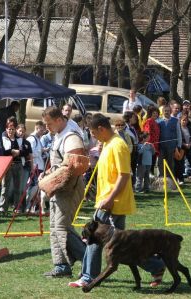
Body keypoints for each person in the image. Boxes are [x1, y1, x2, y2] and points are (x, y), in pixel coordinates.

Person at [68, 113, 165, 288]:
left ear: (101, 129)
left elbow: (124, 175)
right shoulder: (106, 144)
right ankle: (157, 266)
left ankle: (88, 276)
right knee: (124, 246)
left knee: (93, 238)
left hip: (113, 203)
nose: (92, 136)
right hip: (106, 201)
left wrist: (110, 198)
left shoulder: (118, 145)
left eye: (93, 133)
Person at [41, 107, 86, 278]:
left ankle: (89, 262)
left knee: (62, 227)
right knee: (54, 227)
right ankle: (61, 265)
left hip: (69, 188)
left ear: (59, 119)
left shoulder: (71, 136)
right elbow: (59, 165)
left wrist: (50, 181)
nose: (47, 127)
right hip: (58, 188)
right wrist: (48, 175)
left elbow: (73, 166)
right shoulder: (60, 134)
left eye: (49, 124)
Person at [0, 120, 27, 214]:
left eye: (12, 129)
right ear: (6, 129)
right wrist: (13, 151)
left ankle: (17, 207)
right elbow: (3, 152)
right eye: (9, 129)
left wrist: (18, 152)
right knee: (5, 187)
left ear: (15, 130)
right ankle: (2, 208)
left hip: (18, 164)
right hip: (8, 165)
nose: (10, 131)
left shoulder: (20, 139)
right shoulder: (3, 139)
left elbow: (26, 152)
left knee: (18, 188)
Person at [26, 121, 46, 212]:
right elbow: (31, 153)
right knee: (33, 187)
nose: (43, 132)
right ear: (37, 128)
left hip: (40, 166)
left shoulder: (38, 138)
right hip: (35, 167)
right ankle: (28, 205)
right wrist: (41, 151)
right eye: (41, 130)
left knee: (37, 188)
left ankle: (34, 206)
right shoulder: (32, 139)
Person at [176, 113, 191, 183]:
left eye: (186, 120)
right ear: (180, 120)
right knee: (180, 163)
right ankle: (181, 179)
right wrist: (184, 144)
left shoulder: (189, 128)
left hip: (189, 147)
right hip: (182, 148)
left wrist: (190, 143)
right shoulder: (179, 129)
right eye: (183, 120)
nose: (184, 122)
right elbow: (179, 139)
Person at [157, 105, 182, 177]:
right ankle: (162, 179)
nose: (167, 112)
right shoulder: (158, 121)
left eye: (168, 111)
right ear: (163, 112)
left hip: (172, 146)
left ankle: (171, 179)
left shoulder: (175, 120)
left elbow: (178, 133)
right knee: (161, 163)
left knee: (171, 163)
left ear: (170, 111)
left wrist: (179, 145)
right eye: (165, 111)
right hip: (161, 146)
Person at [16, 124, 34, 212]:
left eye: (23, 131)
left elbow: (30, 156)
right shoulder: (13, 141)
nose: (21, 133)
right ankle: (17, 206)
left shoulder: (27, 143)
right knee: (16, 187)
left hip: (25, 167)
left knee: (23, 187)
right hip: (15, 166)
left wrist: (32, 168)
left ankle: (22, 206)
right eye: (20, 131)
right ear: (16, 130)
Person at [143, 106, 160, 176]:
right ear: (150, 114)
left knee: (153, 163)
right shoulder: (149, 121)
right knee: (149, 164)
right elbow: (147, 133)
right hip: (150, 146)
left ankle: (151, 176)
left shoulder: (155, 122)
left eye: (156, 113)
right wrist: (150, 145)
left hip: (156, 145)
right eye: (154, 113)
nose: (155, 115)